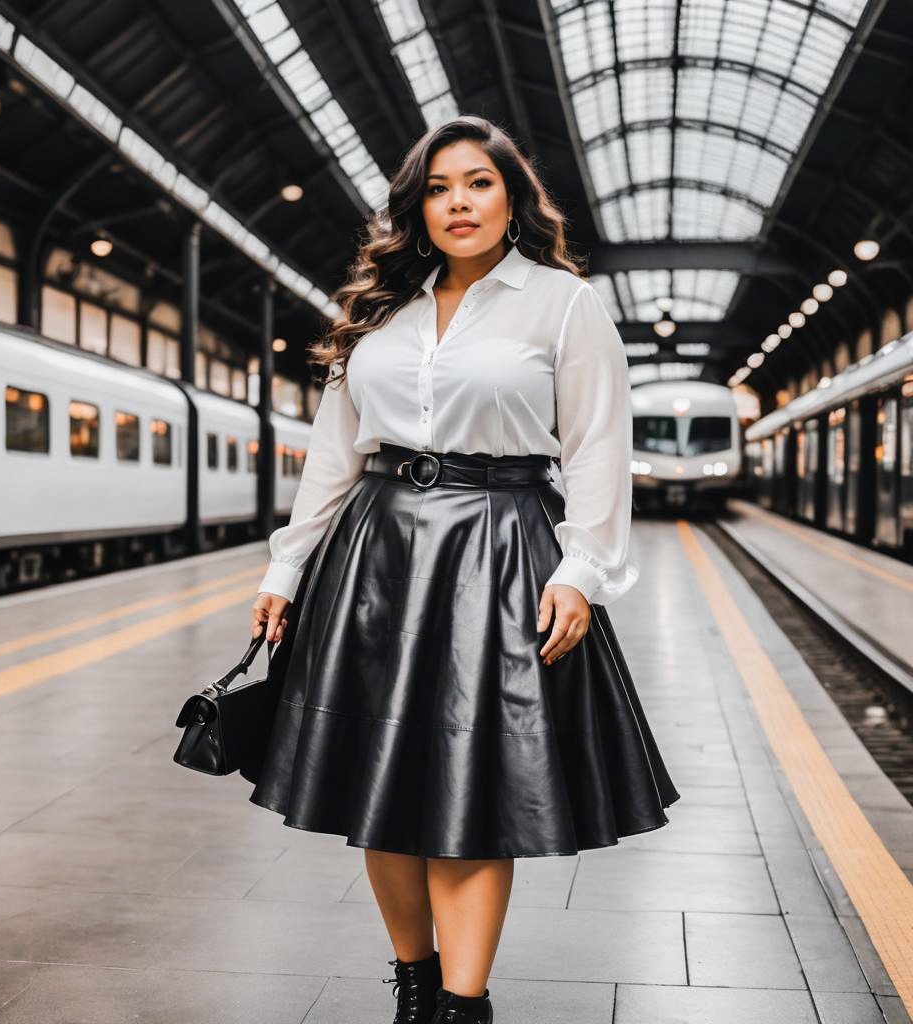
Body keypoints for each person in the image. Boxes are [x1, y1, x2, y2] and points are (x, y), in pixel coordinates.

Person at [248, 115, 680, 1024]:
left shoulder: (563, 303)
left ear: (512, 196)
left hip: (503, 544)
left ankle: (461, 1003)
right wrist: (285, 570)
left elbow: (600, 447)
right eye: (439, 188)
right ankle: (413, 985)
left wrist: (583, 572)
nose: (459, 202)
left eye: (478, 182)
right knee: (382, 776)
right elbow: (335, 453)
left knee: (473, 778)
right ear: (417, 206)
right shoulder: (377, 311)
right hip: (374, 549)